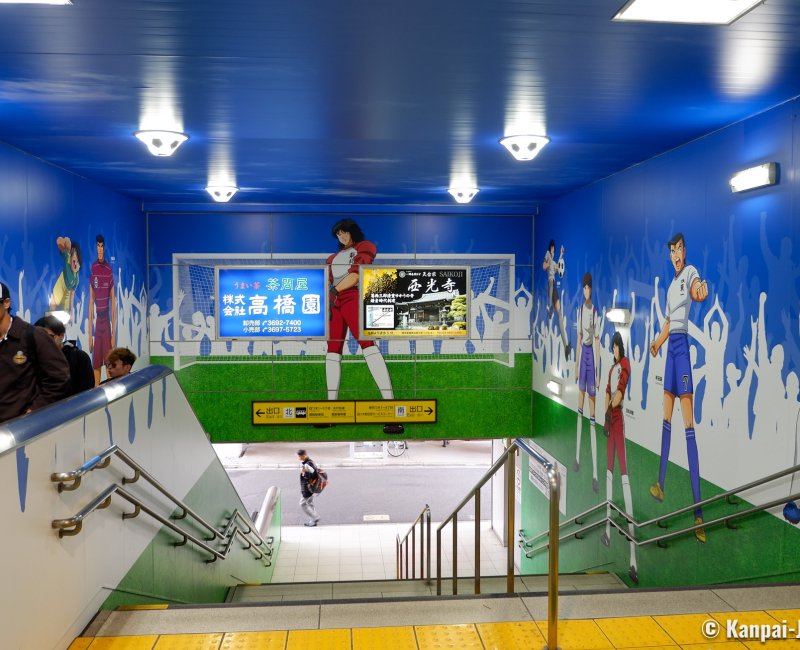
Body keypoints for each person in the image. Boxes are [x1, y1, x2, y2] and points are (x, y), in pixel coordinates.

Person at [649, 232, 709, 543]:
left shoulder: (690, 274)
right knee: (665, 418)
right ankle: (660, 484)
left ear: (685, 251)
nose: (676, 254)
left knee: (688, 425)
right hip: (670, 352)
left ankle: (698, 512)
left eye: (679, 248)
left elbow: (698, 292)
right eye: (672, 250)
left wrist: (701, 292)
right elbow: (667, 322)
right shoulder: (671, 286)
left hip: (683, 351)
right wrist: (657, 344)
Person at [324, 218, 403, 435]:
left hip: (354, 298)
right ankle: (330, 409)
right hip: (335, 302)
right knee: (332, 352)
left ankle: (391, 408)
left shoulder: (364, 246)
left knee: (368, 346)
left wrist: (335, 290)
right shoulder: (332, 258)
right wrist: (331, 295)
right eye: (338, 234)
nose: (341, 237)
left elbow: (357, 274)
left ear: (352, 231)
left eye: (344, 232)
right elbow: (328, 281)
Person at [0, 282, 70, 423]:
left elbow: (60, 377)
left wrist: (34, 410)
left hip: (21, 429)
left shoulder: (32, 335)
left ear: (6, 303)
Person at [601, 331, 638, 584]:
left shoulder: (624, 364)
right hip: (609, 417)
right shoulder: (612, 367)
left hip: (618, 420)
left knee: (623, 472)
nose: (614, 350)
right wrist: (605, 411)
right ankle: (606, 527)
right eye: (613, 347)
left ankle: (633, 555)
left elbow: (619, 393)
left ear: (618, 346)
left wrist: (609, 411)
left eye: (615, 346)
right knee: (609, 470)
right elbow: (607, 390)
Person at [574, 272, 600, 493]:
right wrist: (575, 365)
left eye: (589, 288)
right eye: (584, 288)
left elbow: (597, 342)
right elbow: (579, 339)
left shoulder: (595, 312)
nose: (587, 291)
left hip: (592, 359)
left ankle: (594, 474)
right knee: (579, 408)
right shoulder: (580, 311)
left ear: (592, 289)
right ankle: (576, 457)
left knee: (592, 414)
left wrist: (598, 372)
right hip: (582, 358)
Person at [34, 315, 95, 396]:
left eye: (49, 337)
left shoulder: (79, 357)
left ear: (61, 336)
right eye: (39, 337)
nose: (44, 341)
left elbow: (87, 391)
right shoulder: (35, 360)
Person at [89, 234, 116, 386]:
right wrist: (89, 336)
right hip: (97, 324)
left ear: (105, 248)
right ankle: (96, 395)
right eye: (98, 246)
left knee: (109, 363)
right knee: (96, 363)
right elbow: (90, 303)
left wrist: (113, 334)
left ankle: (111, 396)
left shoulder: (108, 270)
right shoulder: (93, 269)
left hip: (106, 323)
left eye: (102, 246)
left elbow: (113, 304)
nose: (100, 249)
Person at [542, 239, 571, 361]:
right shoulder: (548, 256)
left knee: (559, 313)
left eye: (554, 250)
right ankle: (550, 310)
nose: (552, 251)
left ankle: (566, 346)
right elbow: (544, 267)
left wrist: (561, 254)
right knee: (557, 311)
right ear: (550, 250)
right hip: (551, 284)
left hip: (554, 286)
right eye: (552, 249)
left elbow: (560, 270)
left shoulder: (554, 263)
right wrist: (549, 261)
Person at [49, 236, 82, 320]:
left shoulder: (76, 279)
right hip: (61, 285)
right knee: (53, 306)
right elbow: (58, 241)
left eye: (77, 262)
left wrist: (71, 312)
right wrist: (65, 244)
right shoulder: (67, 258)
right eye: (73, 261)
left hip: (67, 292)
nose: (75, 264)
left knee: (65, 314)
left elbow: (72, 294)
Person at [297, 449, 321, 527]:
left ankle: (315, 517)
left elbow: (313, 474)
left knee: (302, 504)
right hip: (310, 487)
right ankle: (313, 521)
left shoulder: (307, 464)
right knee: (310, 503)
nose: (299, 458)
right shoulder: (309, 462)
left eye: (299, 456)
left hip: (307, 488)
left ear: (303, 455)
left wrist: (304, 473)